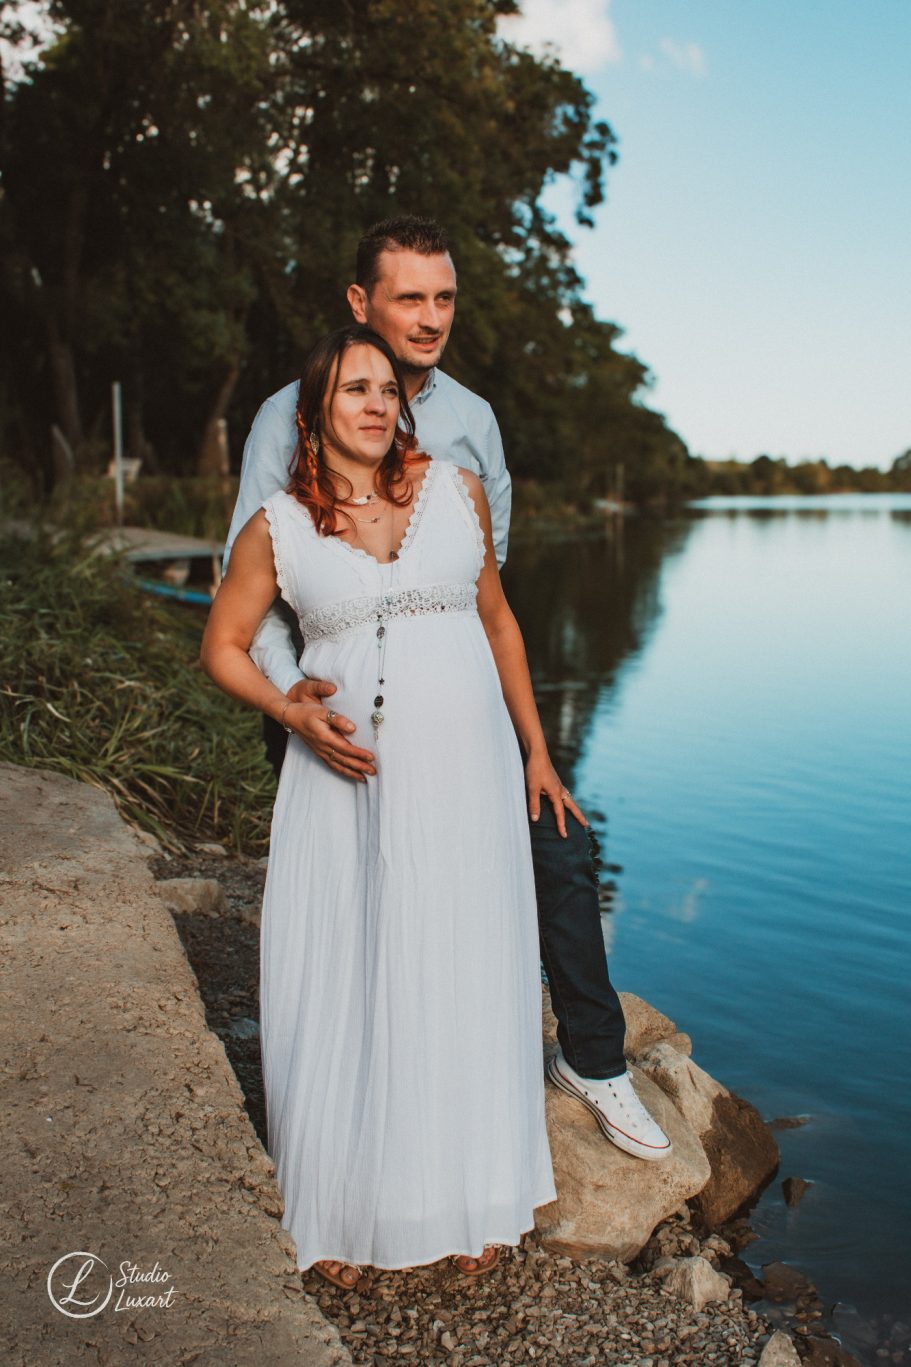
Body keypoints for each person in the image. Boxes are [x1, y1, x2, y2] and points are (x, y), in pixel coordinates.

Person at [224, 216, 671, 1166]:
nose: (429, 319)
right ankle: (340, 1105)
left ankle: (589, 1061)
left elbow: (484, 583)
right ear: (360, 303)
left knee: (555, 841)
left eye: (443, 298)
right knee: (357, 900)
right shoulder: (283, 415)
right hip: (326, 691)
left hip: (452, 688)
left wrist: (522, 738)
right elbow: (255, 575)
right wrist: (292, 696)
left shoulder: (471, 422)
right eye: (407, 298)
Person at [201, 323, 560, 1285]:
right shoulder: (275, 526)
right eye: (352, 388)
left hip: (468, 776)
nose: (374, 401)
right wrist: (287, 709)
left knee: (464, 962)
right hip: (342, 782)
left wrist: (536, 750)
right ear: (314, 413)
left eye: (385, 389)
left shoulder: (457, 492)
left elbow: (497, 620)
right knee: (347, 973)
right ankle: (347, 1206)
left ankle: (472, 1190)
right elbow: (223, 644)